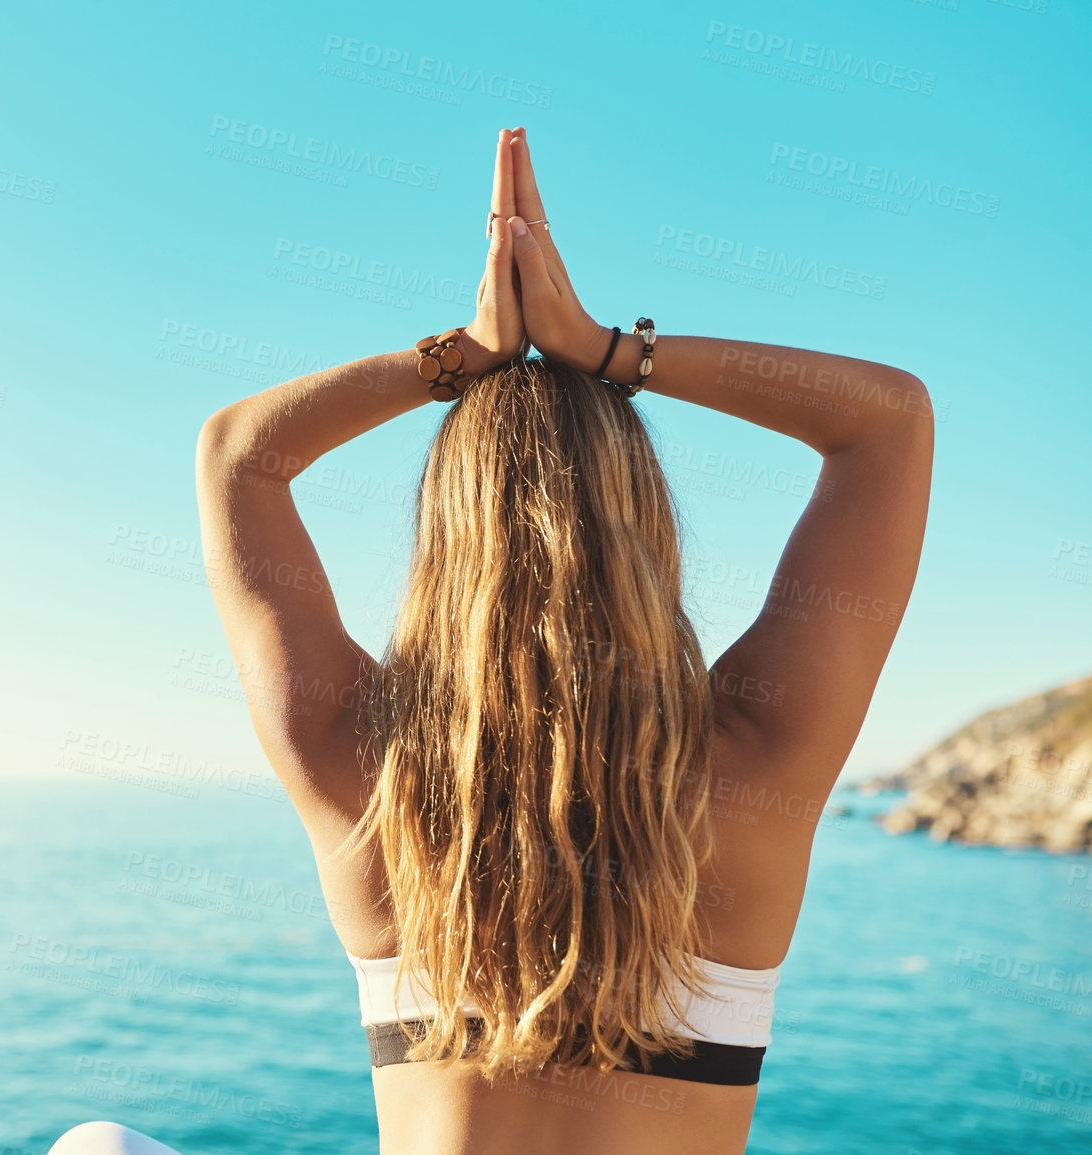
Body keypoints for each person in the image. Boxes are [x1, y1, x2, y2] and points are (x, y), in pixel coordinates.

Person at [51, 126, 934, 1154]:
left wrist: (458, 355)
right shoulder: (755, 760)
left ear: (444, 532)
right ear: (642, 525)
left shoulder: (359, 760)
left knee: (97, 1145)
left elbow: (237, 454)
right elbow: (888, 423)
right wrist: (611, 351)